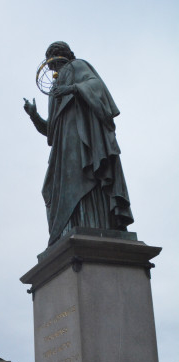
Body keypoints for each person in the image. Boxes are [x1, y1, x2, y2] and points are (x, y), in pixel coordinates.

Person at [23, 41, 133, 246]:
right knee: (50, 189)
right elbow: (51, 130)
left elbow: (96, 86)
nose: (51, 66)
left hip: (82, 137)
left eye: (53, 58)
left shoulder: (76, 66)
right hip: (63, 146)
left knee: (84, 174)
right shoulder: (55, 89)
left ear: (62, 56)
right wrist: (34, 116)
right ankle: (69, 227)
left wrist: (73, 88)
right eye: (49, 62)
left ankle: (96, 223)